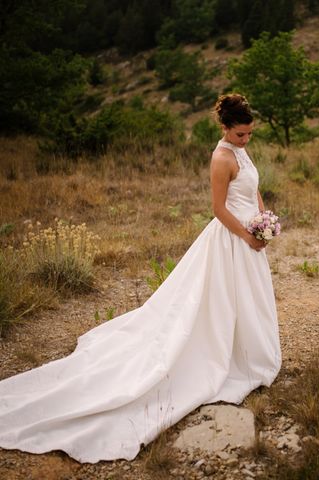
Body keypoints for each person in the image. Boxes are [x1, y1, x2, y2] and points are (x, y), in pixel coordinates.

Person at [0, 93, 281, 463]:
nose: (246, 140)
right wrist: (246, 234)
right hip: (231, 238)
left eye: (250, 134)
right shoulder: (220, 157)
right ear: (226, 128)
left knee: (250, 299)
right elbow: (217, 208)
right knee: (221, 301)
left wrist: (264, 221)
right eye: (241, 134)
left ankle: (249, 351)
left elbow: (252, 188)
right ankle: (225, 357)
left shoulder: (241, 152)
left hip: (250, 237)